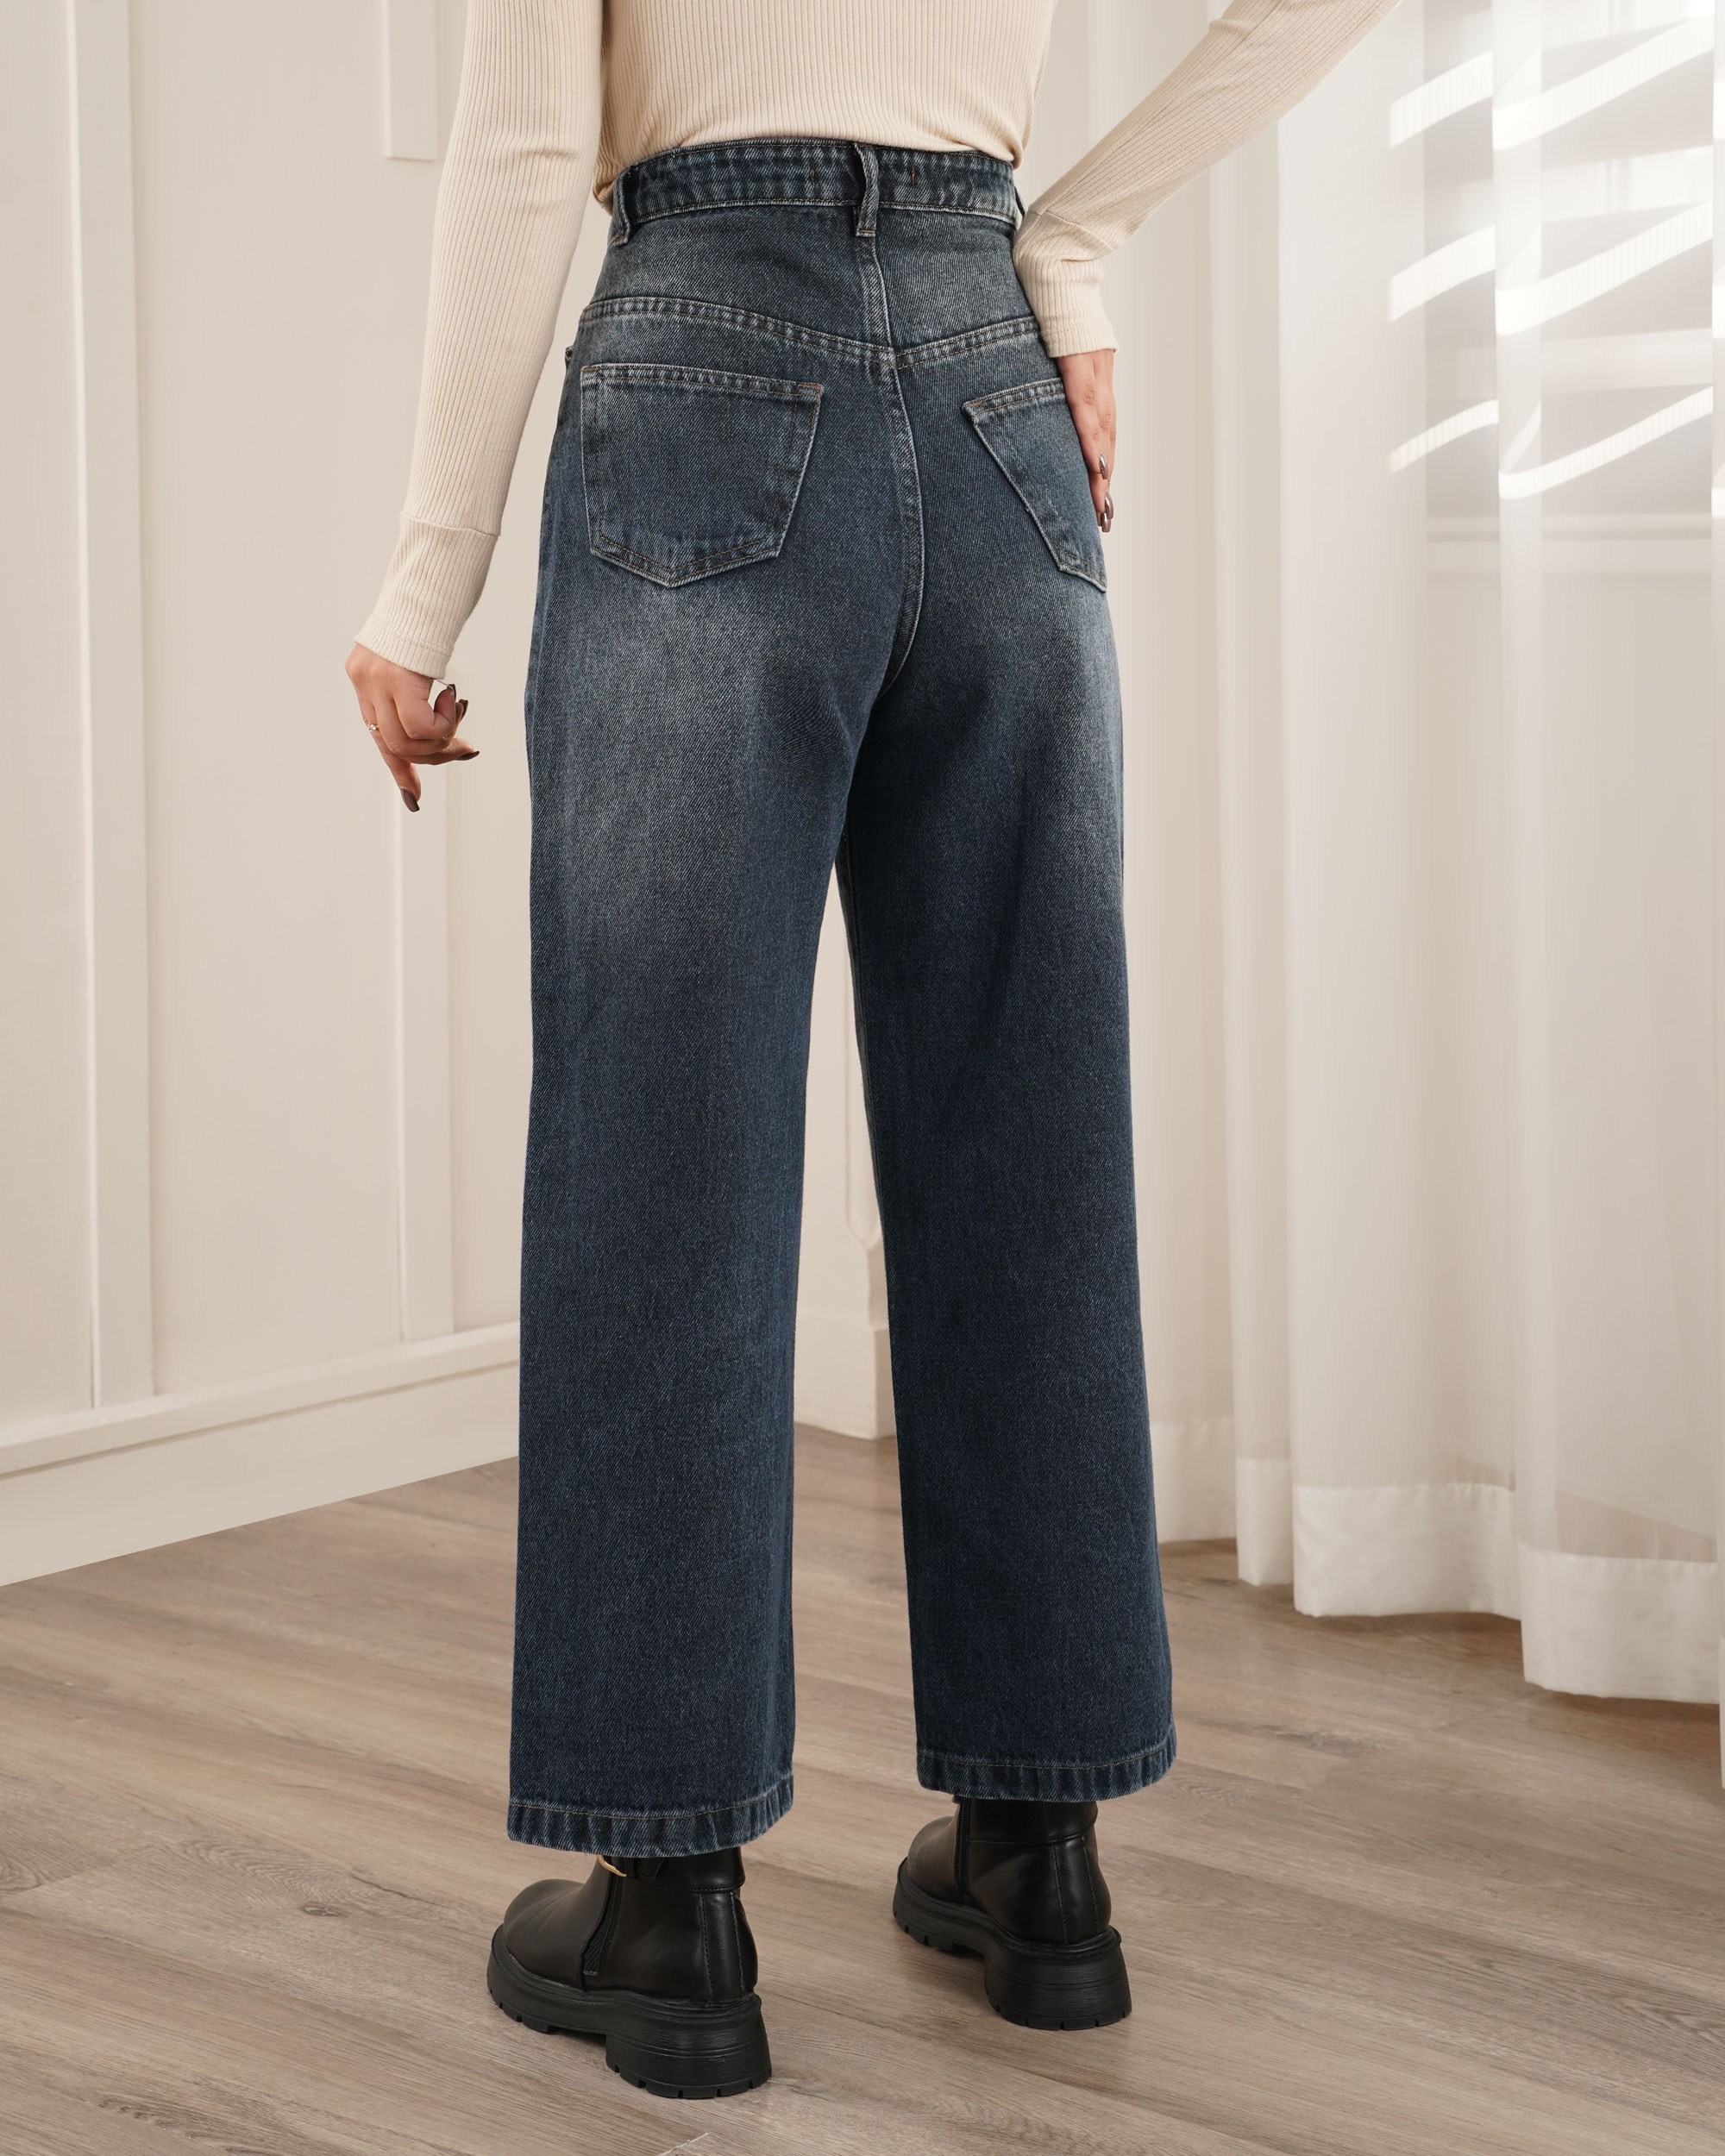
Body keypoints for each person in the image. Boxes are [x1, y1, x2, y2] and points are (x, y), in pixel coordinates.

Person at [346, 0, 1397, 2101]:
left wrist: (420, 582)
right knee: (1027, 1133)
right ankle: (1041, 1858)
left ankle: (670, 1908)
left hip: (700, 365)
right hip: (996, 376)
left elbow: (531, 145)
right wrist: (1062, 243)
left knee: (665, 1153)